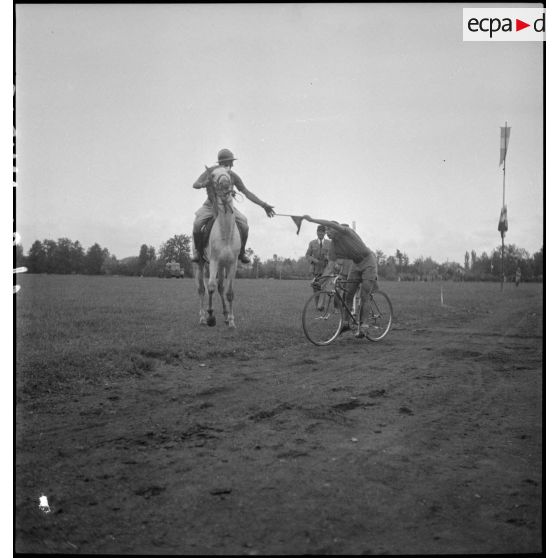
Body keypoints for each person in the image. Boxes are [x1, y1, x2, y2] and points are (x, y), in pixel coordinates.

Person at [191, 149, 275, 264]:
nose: (231, 165)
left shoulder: (232, 175)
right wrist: (204, 184)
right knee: (197, 224)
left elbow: (246, 192)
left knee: (244, 224)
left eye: (231, 163)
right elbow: (195, 184)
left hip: (227, 208)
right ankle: (197, 252)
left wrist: (264, 205)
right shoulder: (210, 171)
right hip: (210, 206)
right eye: (230, 162)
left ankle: (242, 252)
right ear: (224, 162)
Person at [301, 215, 379, 338]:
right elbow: (330, 266)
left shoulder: (346, 232)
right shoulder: (333, 246)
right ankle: (346, 324)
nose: (327, 232)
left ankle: (364, 326)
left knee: (364, 295)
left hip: (368, 261)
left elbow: (331, 224)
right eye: (325, 230)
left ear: (336, 229)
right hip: (356, 264)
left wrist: (312, 220)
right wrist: (321, 281)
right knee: (348, 296)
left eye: (329, 229)